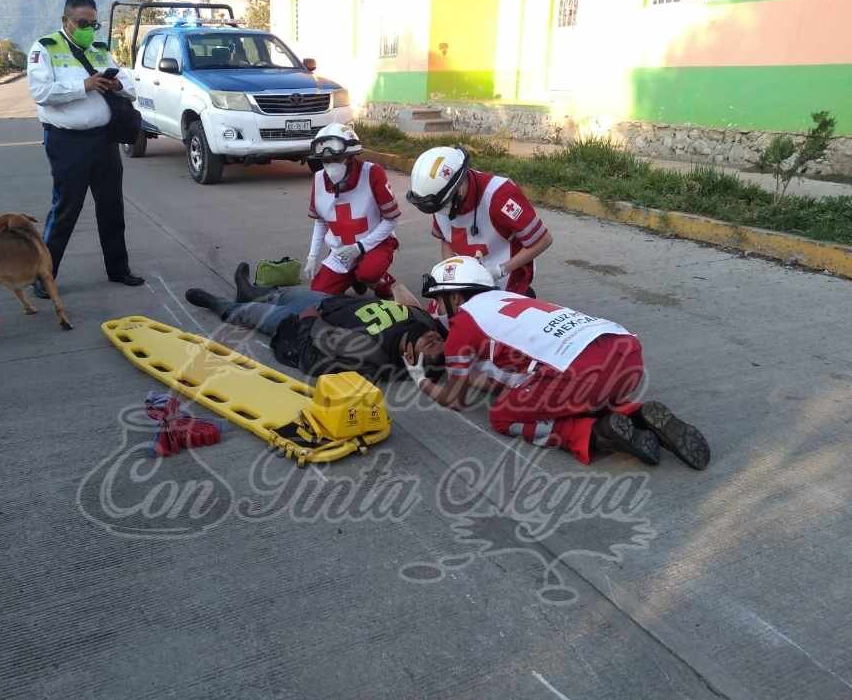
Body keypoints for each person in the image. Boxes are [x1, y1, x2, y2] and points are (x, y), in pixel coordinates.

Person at [404, 256, 711, 469]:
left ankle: (595, 433)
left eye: (440, 299)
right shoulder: (508, 299)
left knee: (502, 415)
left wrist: (419, 377)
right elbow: (504, 376)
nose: (438, 308)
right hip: (624, 352)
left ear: (455, 298)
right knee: (552, 391)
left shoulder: (463, 323)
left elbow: (454, 399)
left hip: (580, 375)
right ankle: (637, 413)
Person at [26, 0, 143, 299]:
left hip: (104, 141)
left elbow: (129, 84)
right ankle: (44, 277)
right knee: (66, 209)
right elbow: (41, 92)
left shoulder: (100, 49)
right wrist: (84, 85)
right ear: (66, 20)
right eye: (82, 22)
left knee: (111, 207)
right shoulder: (45, 48)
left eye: (93, 22)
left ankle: (119, 269)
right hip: (68, 142)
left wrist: (116, 84)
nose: (89, 28)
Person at [185, 263, 445, 382]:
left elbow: (313, 362)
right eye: (438, 343)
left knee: (251, 313)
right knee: (283, 293)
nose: (435, 341)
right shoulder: (427, 325)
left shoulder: (370, 354)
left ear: (411, 358)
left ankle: (219, 304)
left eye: (430, 349)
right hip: (332, 302)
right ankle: (248, 289)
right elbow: (415, 306)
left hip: (307, 320)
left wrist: (309, 321)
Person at [406, 146, 552, 297]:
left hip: (507, 279)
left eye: (443, 205)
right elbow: (445, 239)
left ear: (459, 186)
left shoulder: (500, 195)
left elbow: (543, 240)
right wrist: (454, 276)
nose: (440, 212)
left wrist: (499, 271)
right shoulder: (438, 199)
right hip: (467, 281)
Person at [304, 124, 400, 299]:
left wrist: (360, 247)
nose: (330, 166)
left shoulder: (372, 173)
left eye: (336, 159)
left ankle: (380, 282)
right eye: (325, 161)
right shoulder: (318, 180)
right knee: (318, 295)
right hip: (341, 251)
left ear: (350, 157)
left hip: (377, 243)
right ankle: (355, 276)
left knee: (369, 272)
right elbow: (321, 221)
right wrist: (312, 256)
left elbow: (391, 219)